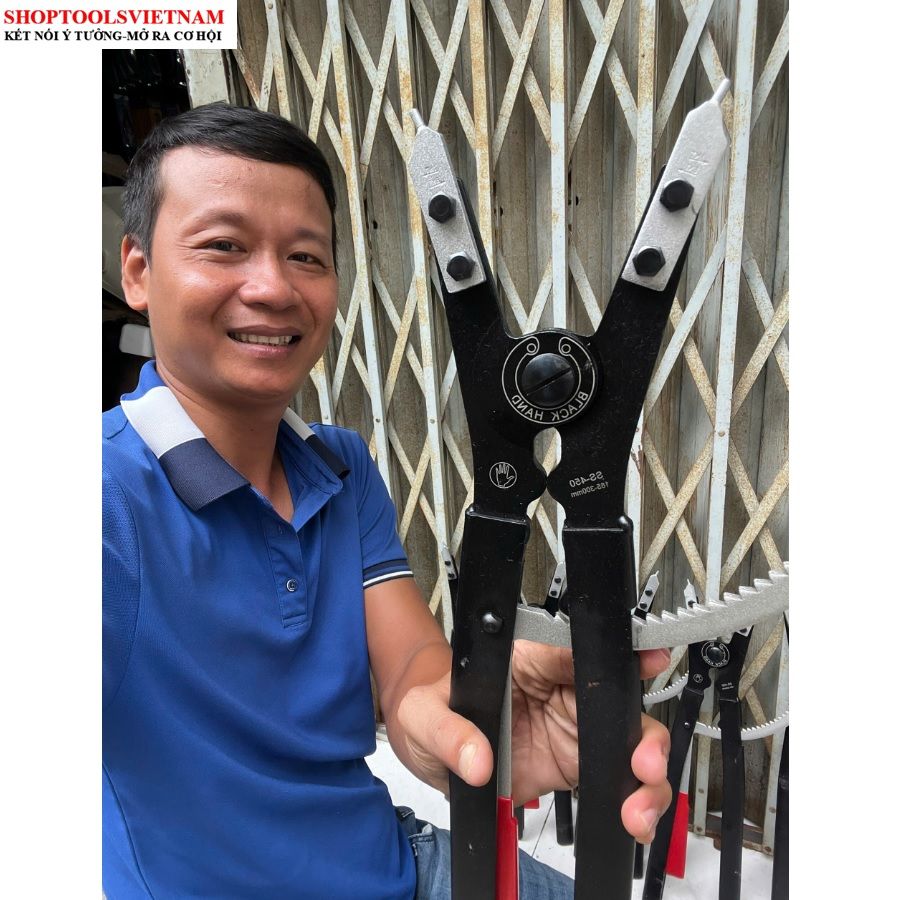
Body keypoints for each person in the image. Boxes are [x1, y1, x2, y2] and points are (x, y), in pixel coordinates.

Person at [102, 103, 672, 899]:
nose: (272, 287)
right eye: (224, 246)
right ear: (137, 271)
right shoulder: (102, 502)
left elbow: (407, 666)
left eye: (306, 255)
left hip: (394, 862)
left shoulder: (341, 466)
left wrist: (465, 718)